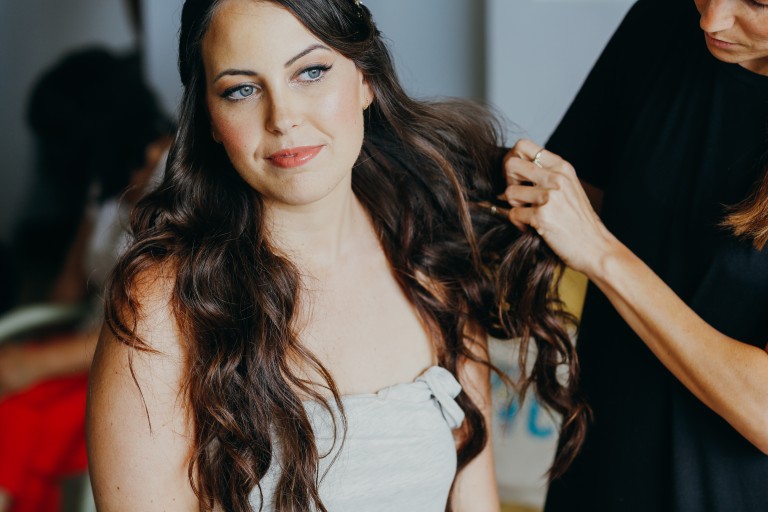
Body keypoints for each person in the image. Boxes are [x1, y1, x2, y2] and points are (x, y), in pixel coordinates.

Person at [85, 0, 590, 511]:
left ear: (366, 79)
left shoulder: (430, 263)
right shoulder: (162, 305)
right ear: (210, 119)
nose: (283, 118)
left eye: (311, 72)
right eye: (242, 89)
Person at [500, 0, 768, 510]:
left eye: (757, 2)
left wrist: (601, 253)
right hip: (596, 471)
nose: (711, 19)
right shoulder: (660, 21)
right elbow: (578, 206)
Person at [0, 47, 173, 512]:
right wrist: (25, 350)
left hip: (133, 365)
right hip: (82, 346)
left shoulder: (177, 175)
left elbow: (156, 328)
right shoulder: (106, 179)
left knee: (14, 415)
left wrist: (34, 363)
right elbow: (68, 289)